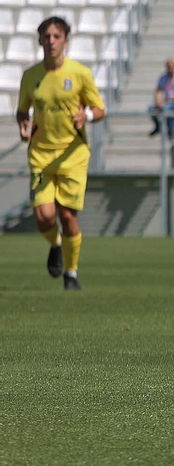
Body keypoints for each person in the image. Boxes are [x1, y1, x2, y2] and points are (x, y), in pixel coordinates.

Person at [16, 17, 106, 291]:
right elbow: (22, 109)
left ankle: (71, 273)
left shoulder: (79, 73)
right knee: (43, 217)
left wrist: (86, 114)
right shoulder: (31, 76)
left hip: (72, 155)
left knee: (67, 216)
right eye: (47, 36)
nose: (51, 41)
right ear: (40, 40)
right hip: (41, 155)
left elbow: (100, 109)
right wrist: (22, 123)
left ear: (66, 40)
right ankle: (56, 245)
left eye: (57, 36)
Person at [148, 57, 174, 139]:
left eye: (171, 66)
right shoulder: (163, 77)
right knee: (151, 108)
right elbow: (159, 90)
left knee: (167, 109)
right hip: (167, 102)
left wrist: (165, 102)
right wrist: (158, 101)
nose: (170, 68)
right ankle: (158, 126)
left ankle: (171, 132)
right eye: (168, 66)